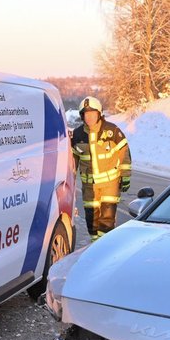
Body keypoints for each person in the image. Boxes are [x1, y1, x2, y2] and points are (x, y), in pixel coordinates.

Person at [70, 96, 131, 240]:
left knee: (107, 220)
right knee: (91, 219)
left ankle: (105, 247)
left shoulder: (112, 131)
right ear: (82, 115)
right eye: (86, 114)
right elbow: (72, 161)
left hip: (110, 184)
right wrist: (69, 181)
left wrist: (126, 175)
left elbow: (124, 153)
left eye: (92, 113)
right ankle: (95, 245)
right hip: (89, 186)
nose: (89, 117)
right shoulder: (77, 135)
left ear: (99, 113)